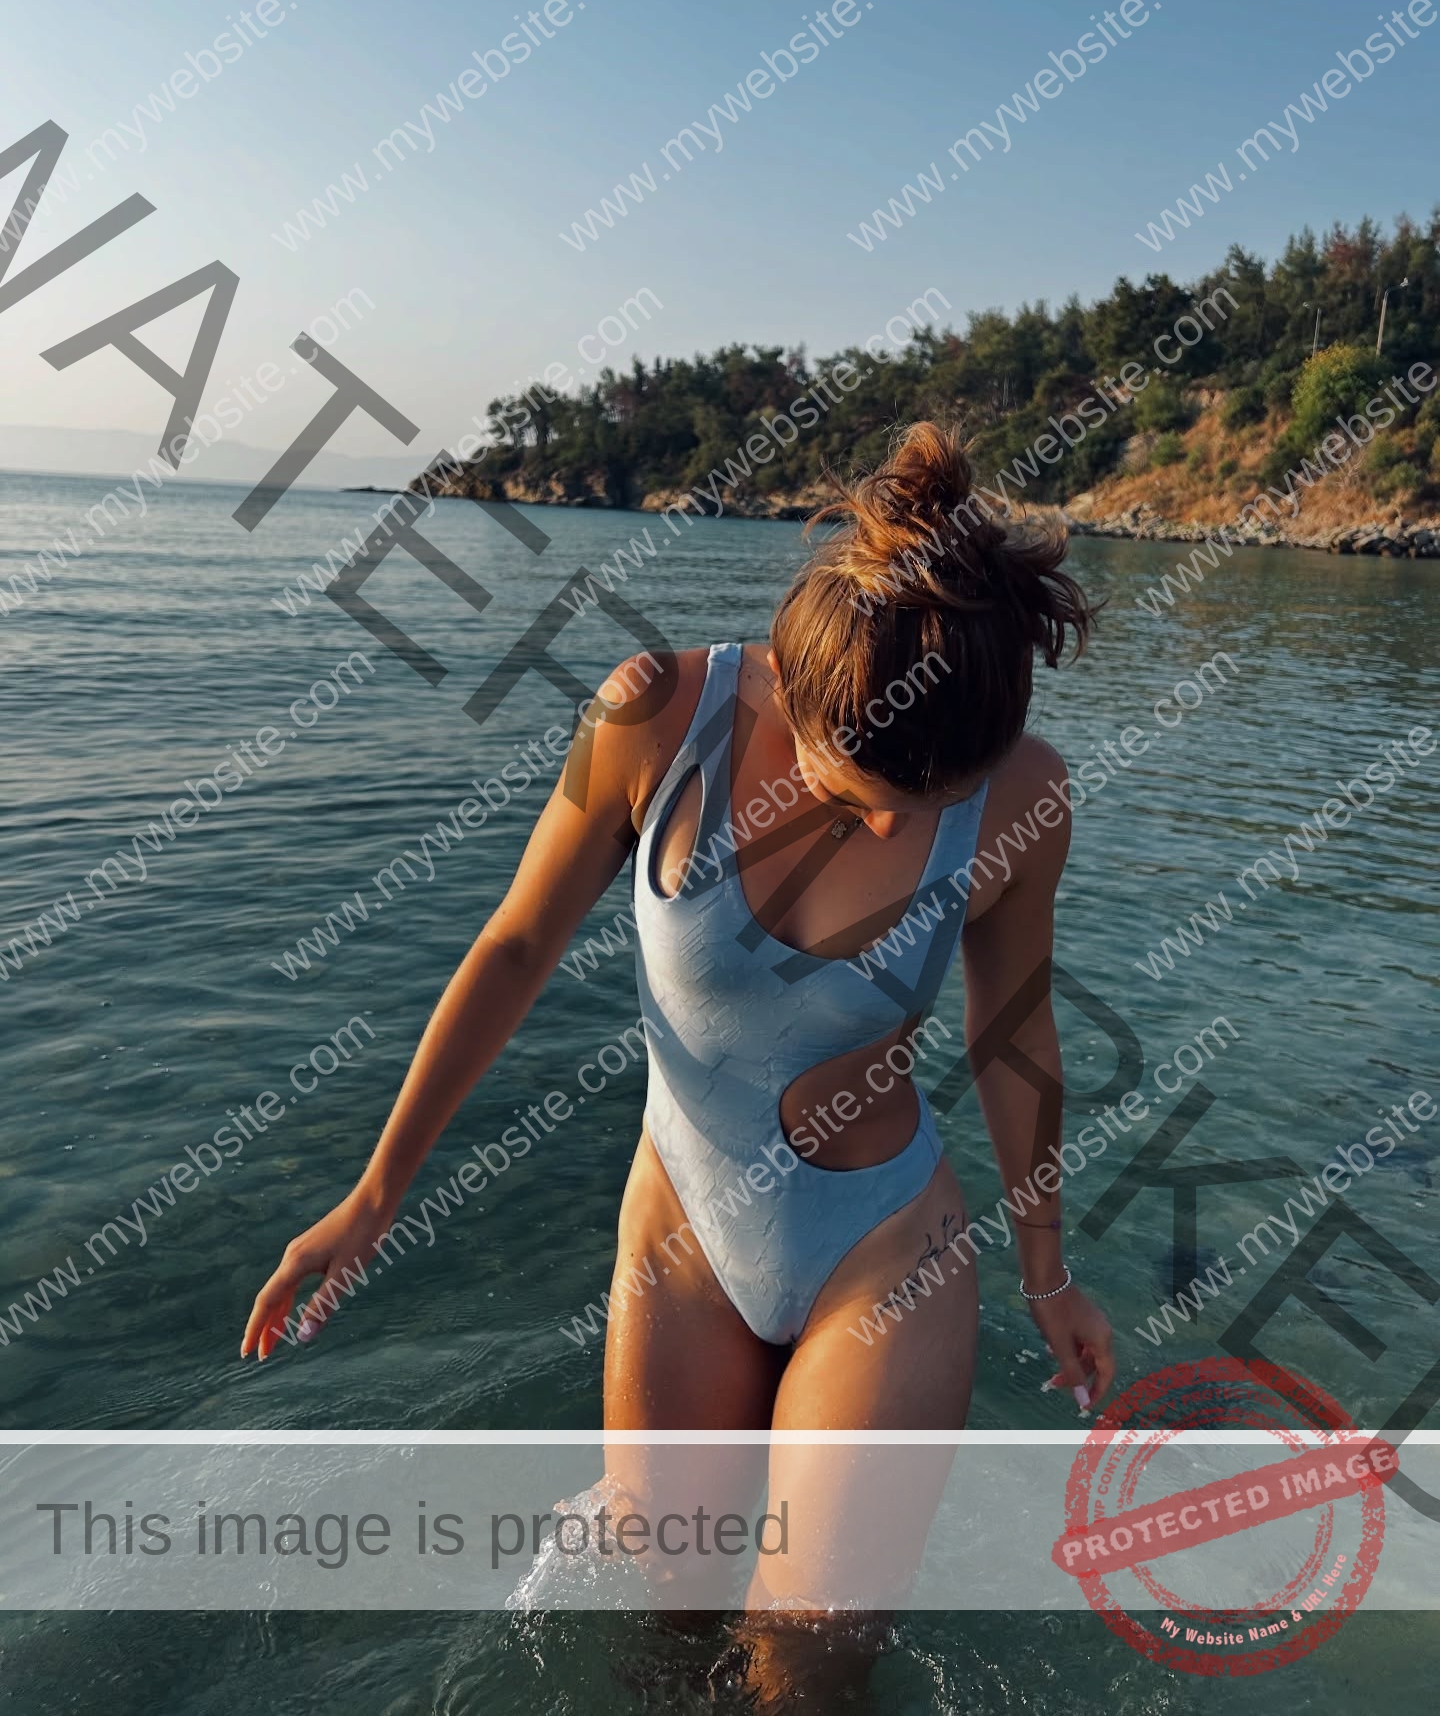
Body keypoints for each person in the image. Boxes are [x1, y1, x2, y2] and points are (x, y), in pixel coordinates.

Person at [242, 420, 1114, 1685]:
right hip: (683, 1236)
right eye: (860, 785)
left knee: (809, 1668)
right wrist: (375, 1194)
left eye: (924, 808)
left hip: (882, 1251)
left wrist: (1049, 1269)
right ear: (790, 692)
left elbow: (1012, 1030)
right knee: (666, 1616)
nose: (888, 822)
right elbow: (514, 945)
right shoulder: (657, 715)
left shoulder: (1024, 793)